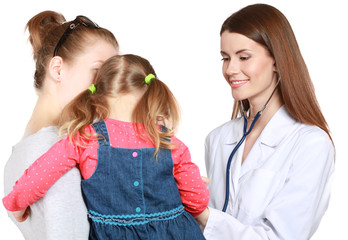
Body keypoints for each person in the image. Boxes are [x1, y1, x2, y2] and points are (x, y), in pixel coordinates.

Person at [3, 54, 210, 239]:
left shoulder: (85, 139)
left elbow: (41, 173)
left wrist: (16, 204)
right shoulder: (170, 142)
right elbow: (197, 200)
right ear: (151, 95)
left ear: (97, 97)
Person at [196, 4, 335, 239]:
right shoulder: (218, 139)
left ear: (277, 61)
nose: (231, 69)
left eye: (244, 57)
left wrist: (203, 214)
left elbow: (281, 236)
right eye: (225, 58)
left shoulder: (311, 144)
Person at [3, 11, 119, 239]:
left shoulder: (21, 154)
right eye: (98, 71)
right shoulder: (55, 154)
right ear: (57, 70)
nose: (110, 87)